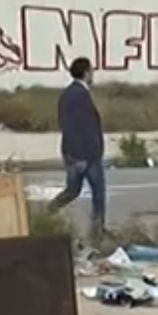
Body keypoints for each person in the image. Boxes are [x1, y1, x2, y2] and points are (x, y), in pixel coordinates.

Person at [49, 57, 106, 235]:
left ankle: (49, 212)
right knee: (98, 192)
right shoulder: (80, 95)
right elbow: (78, 126)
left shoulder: (68, 93)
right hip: (85, 153)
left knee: (73, 190)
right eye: (91, 71)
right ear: (86, 73)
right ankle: (97, 230)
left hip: (75, 151)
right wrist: (81, 155)